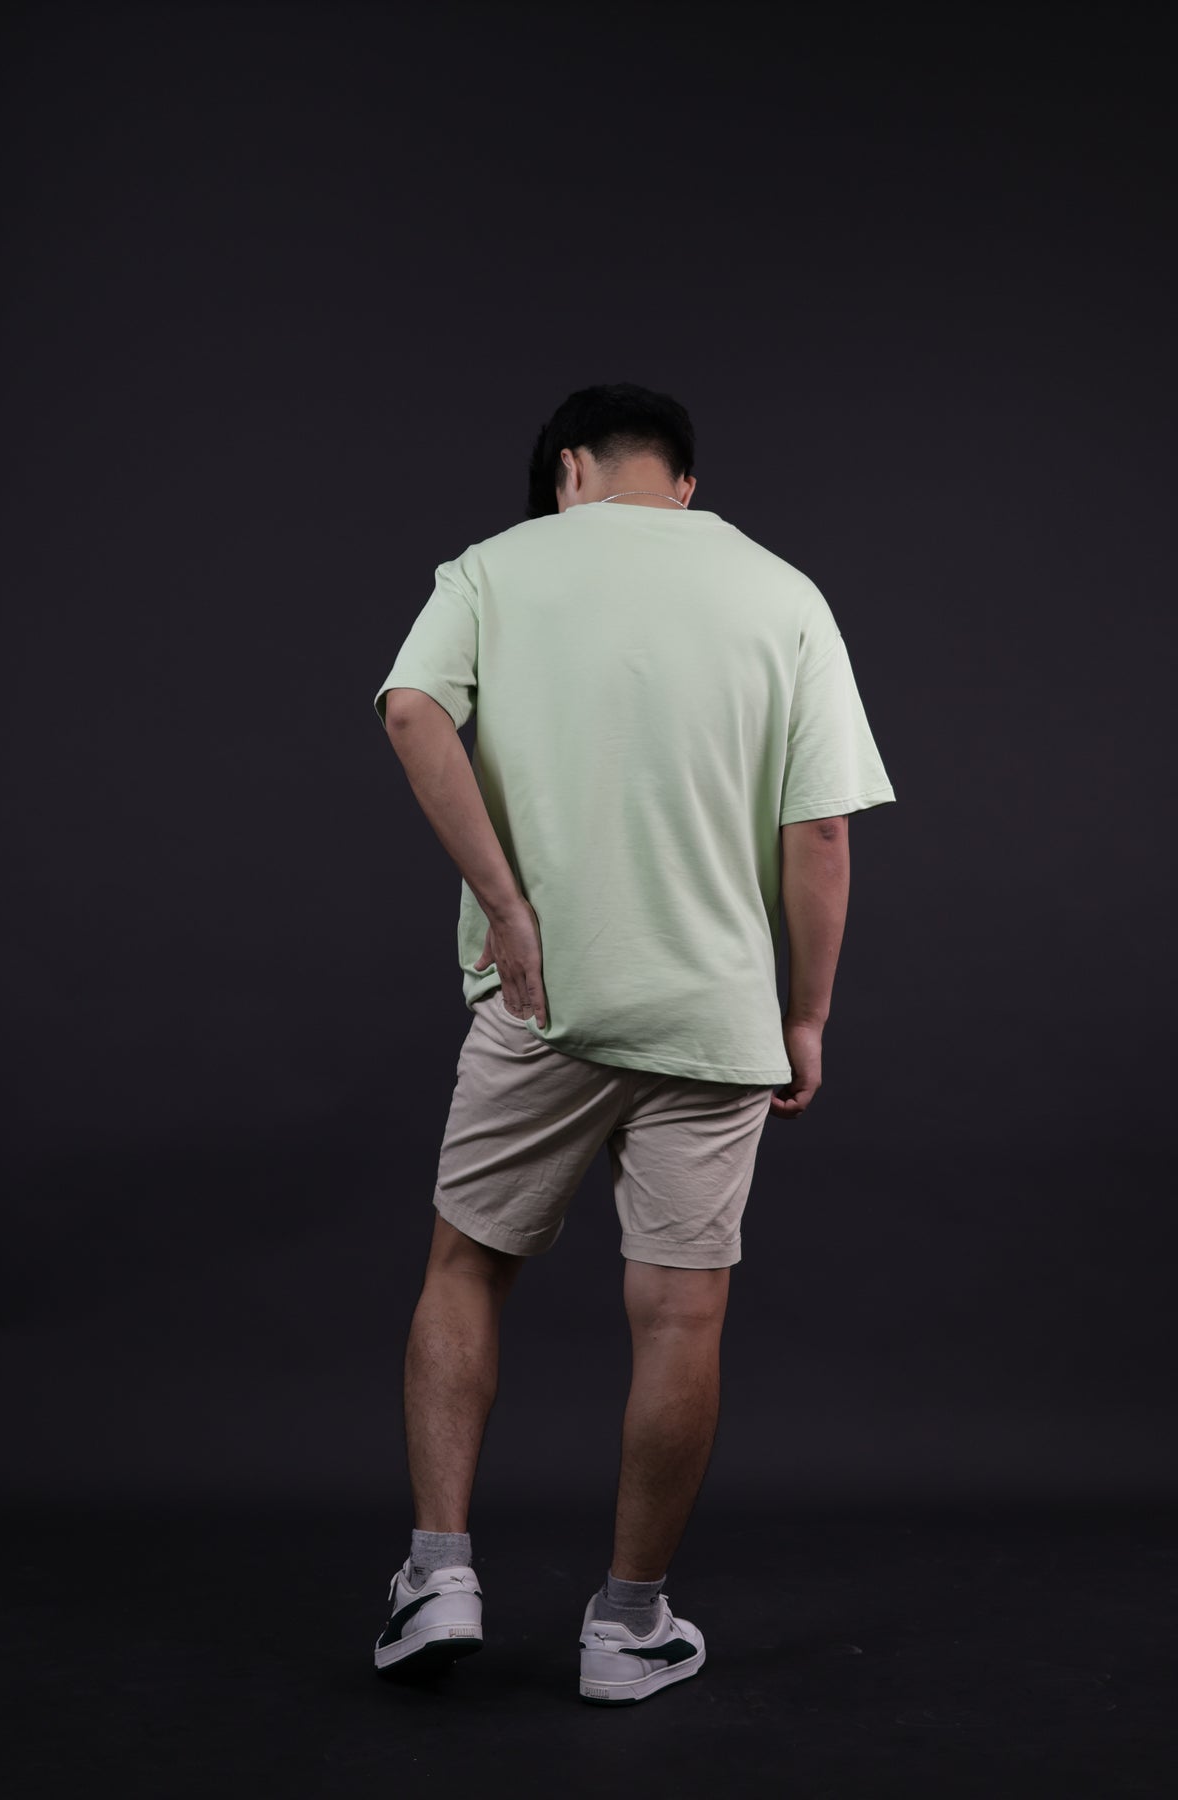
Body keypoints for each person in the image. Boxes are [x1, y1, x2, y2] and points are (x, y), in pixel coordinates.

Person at [370, 382, 897, 1704]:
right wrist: (806, 1014)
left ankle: (439, 1578)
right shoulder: (784, 592)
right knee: (680, 1310)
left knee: (466, 1266)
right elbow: (823, 831)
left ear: (569, 471)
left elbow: (411, 711)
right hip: (713, 1013)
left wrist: (507, 909)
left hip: (541, 999)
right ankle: (629, 1626)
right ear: (684, 481)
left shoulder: (494, 567)